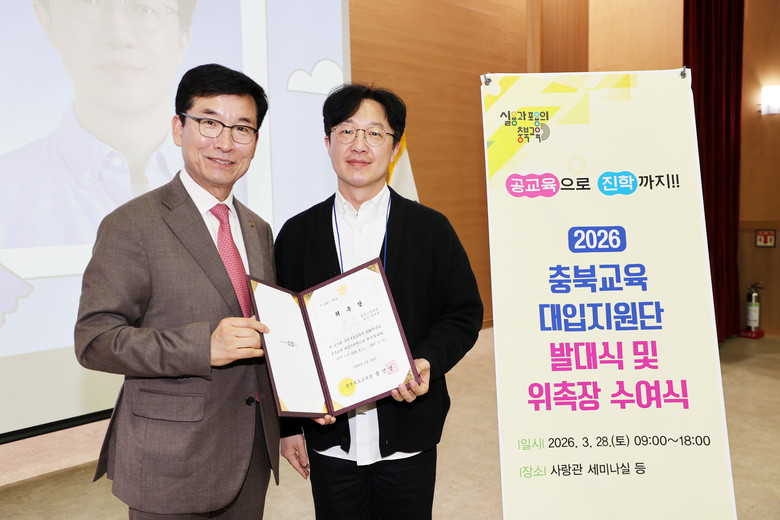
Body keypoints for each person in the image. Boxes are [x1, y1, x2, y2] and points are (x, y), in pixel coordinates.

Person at [74, 63, 279, 519]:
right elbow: (94, 340)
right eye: (210, 122)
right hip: (170, 459)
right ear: (178, 128)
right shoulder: (131, 224)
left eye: (242, 129)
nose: (225, 142)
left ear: (255, 141)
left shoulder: (258, 229)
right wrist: (202, 347)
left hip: (250, 453)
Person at [274, 84, 484, 519]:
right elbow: (282, 337)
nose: (359, 145)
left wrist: (428, 360)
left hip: (409, 434)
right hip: (330, 441)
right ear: (327, 143)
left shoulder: (432, 229)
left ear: (395, 147)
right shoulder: (296, 234)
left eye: (374, 133)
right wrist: (288, 425)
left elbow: (464, 313)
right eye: (346, 131)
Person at [0, 0, 196, 247]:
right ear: (48, 21)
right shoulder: (6, 196)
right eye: (91, 3)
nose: (119, 35)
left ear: (182, 37)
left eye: (145, 8)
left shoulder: (239, 184)